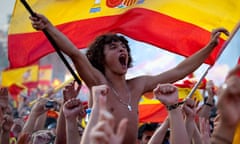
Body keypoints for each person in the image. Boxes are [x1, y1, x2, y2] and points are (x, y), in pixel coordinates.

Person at [30, 13, 229, 144]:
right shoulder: (98, 82)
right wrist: (48, 27)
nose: (122, 49)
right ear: (101, 58)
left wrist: (211, 46)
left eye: (124, 47)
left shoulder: (137, 85)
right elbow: (74, 53)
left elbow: (179, 70)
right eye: (114, 47)